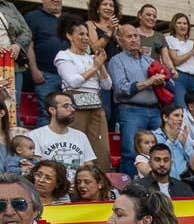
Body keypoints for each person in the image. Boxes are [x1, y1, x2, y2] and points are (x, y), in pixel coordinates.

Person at [54, 15, 112, 166]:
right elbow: (73, 81)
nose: (86, 38)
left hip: (96, 104)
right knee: (75, 143)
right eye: (81, 34)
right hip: (74, 104)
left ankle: (102, 177)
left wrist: (101, 64)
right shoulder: (63, 55)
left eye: (87, 34)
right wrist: (95, 67)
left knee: (100, 145)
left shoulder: (92, 57)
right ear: (69, 36)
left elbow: (107, 85)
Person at [109, 25, 165, 175]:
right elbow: (121, 88)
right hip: (130, 109)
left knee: (158, 151)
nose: (134, 39)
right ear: (120, 41)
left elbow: (166, 82)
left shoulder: (149, 60)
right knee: (130, 151)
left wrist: (164, 79)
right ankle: (128, 190)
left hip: (154, 109)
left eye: (136, 36)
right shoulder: (116, 61)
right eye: (129, 37)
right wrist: (148, 82)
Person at [26, 93, 97, 179]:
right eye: (66, 106)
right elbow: (35, 168)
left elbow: (89, 166)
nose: (72, 109)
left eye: (72, 106)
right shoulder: (35, 135)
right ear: (52, 110)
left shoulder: (81, 136)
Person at [25, 0, 65, 107]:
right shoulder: (33, 17)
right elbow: (28, 45)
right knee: (47, 111)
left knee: (68, 114)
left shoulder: (68, 19)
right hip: (46, 75)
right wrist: (34, 70)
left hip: (70, 76)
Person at [165, 13, 194, 108]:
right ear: (174, 25)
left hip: (192, 78)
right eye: (179, 23)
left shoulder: (191, 43)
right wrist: (192, 51)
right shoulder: (170, 39)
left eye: (185, 24)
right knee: (181, 106)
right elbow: (176, 61)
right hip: (178, 77)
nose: (182, 26)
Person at [154, 104, 193, 179]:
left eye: (182, 116)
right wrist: (171, 140)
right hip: (163, 181)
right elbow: (160, 159)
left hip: (184, 183)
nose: (180, 119)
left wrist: (185, 145)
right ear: (165, 117)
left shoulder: (183, 135)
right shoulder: (154, 136)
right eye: (176, 115)